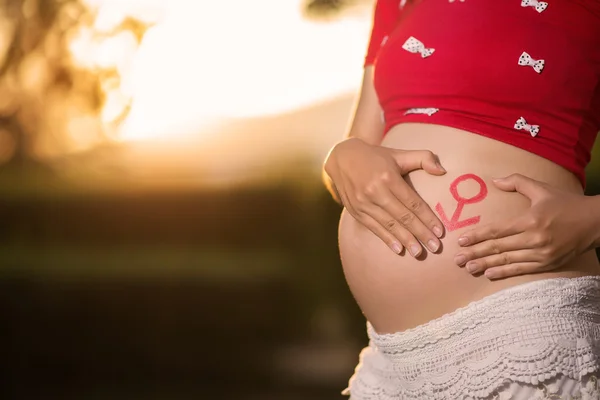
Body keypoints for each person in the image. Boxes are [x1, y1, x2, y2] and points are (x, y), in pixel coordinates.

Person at [322, 0, 600, 398]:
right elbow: (357, 154)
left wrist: (593, 219)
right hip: (391, 360)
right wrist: (342, 156)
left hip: (524, 328)